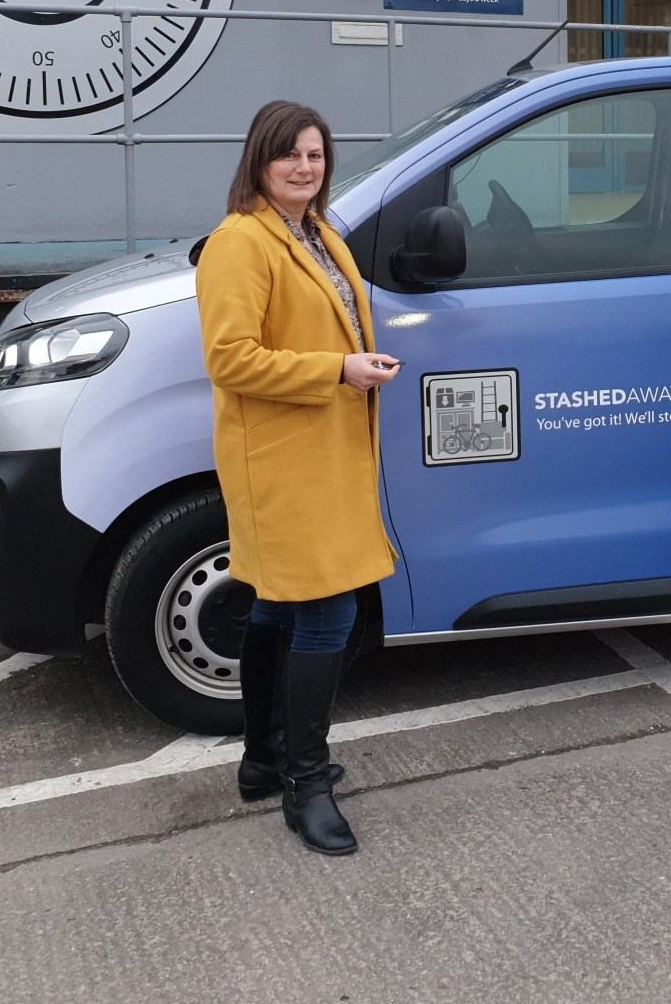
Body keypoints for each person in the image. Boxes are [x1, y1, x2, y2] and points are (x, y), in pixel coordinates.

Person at [195, 99, 401, 855]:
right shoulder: (240, 243)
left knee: (279, 611)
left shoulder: (312, 233)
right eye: (290, 156)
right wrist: (337, 369)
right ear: (260, 160)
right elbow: (230, 358)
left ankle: (263, 760)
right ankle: (305, 785)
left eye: (315, 156)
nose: (305, 168)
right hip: (281, 461)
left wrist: (351, 367)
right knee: (326, 613)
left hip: (323, 450)